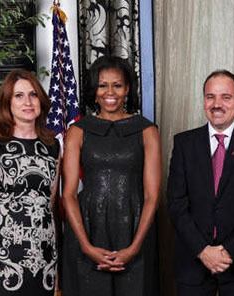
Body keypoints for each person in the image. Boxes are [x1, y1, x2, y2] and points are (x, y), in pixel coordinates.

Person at [167, 70, 234, 295]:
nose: (217, 104)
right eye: (210, 97)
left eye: (225, 97)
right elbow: (176, 204)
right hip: (193, 261)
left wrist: (228, 251)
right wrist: (202, 250)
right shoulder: (184, 144)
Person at [62, 56, 161, 296]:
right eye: (102, 85)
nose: (110, 92)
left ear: (127, 89)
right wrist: (86, 247)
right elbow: (69, 194)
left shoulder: (147, 130)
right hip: (88, 229)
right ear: (94, 91)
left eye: (117, 85)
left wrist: (134, 247)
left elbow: (152, 195)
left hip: (135, 229)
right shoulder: (77, 131)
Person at [0, 70, 61, 296]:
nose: (27, 102)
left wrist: (55, 266)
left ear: (41, 100)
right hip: (0, 260)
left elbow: (49, 208)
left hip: (43, 262)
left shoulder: (53, 147)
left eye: (33, 95)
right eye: (18, 96)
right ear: (7, 103)